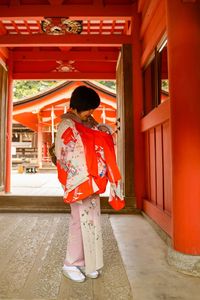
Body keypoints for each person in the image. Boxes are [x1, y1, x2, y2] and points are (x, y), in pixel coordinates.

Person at [55, 85, 124, 283]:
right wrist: (95, 139)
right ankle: (70, 263)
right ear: (77, 106)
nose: (91, 113)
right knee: (79, 221)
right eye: (89, 109)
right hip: (79, 179)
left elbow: (98, 136)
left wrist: (102, 131)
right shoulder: (66, 124)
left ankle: (88, 262)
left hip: (91, 179)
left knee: (91, 220)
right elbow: (65, 154)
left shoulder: (86, 122)